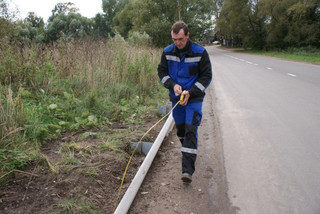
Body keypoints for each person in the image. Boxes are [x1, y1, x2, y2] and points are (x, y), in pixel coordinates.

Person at [158, 21, 212, 183]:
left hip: (194, 99)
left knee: (190, 128)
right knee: (181, 129)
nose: (178, 43)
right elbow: (162, 72)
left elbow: (206, 76)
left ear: (187, 36)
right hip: (176, 99)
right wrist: (173, 85)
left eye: (180, 39)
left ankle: (187, 170)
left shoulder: (200, 52)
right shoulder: (167, 52)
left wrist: (192, 92)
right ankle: (188, 150)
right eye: (174, 39)